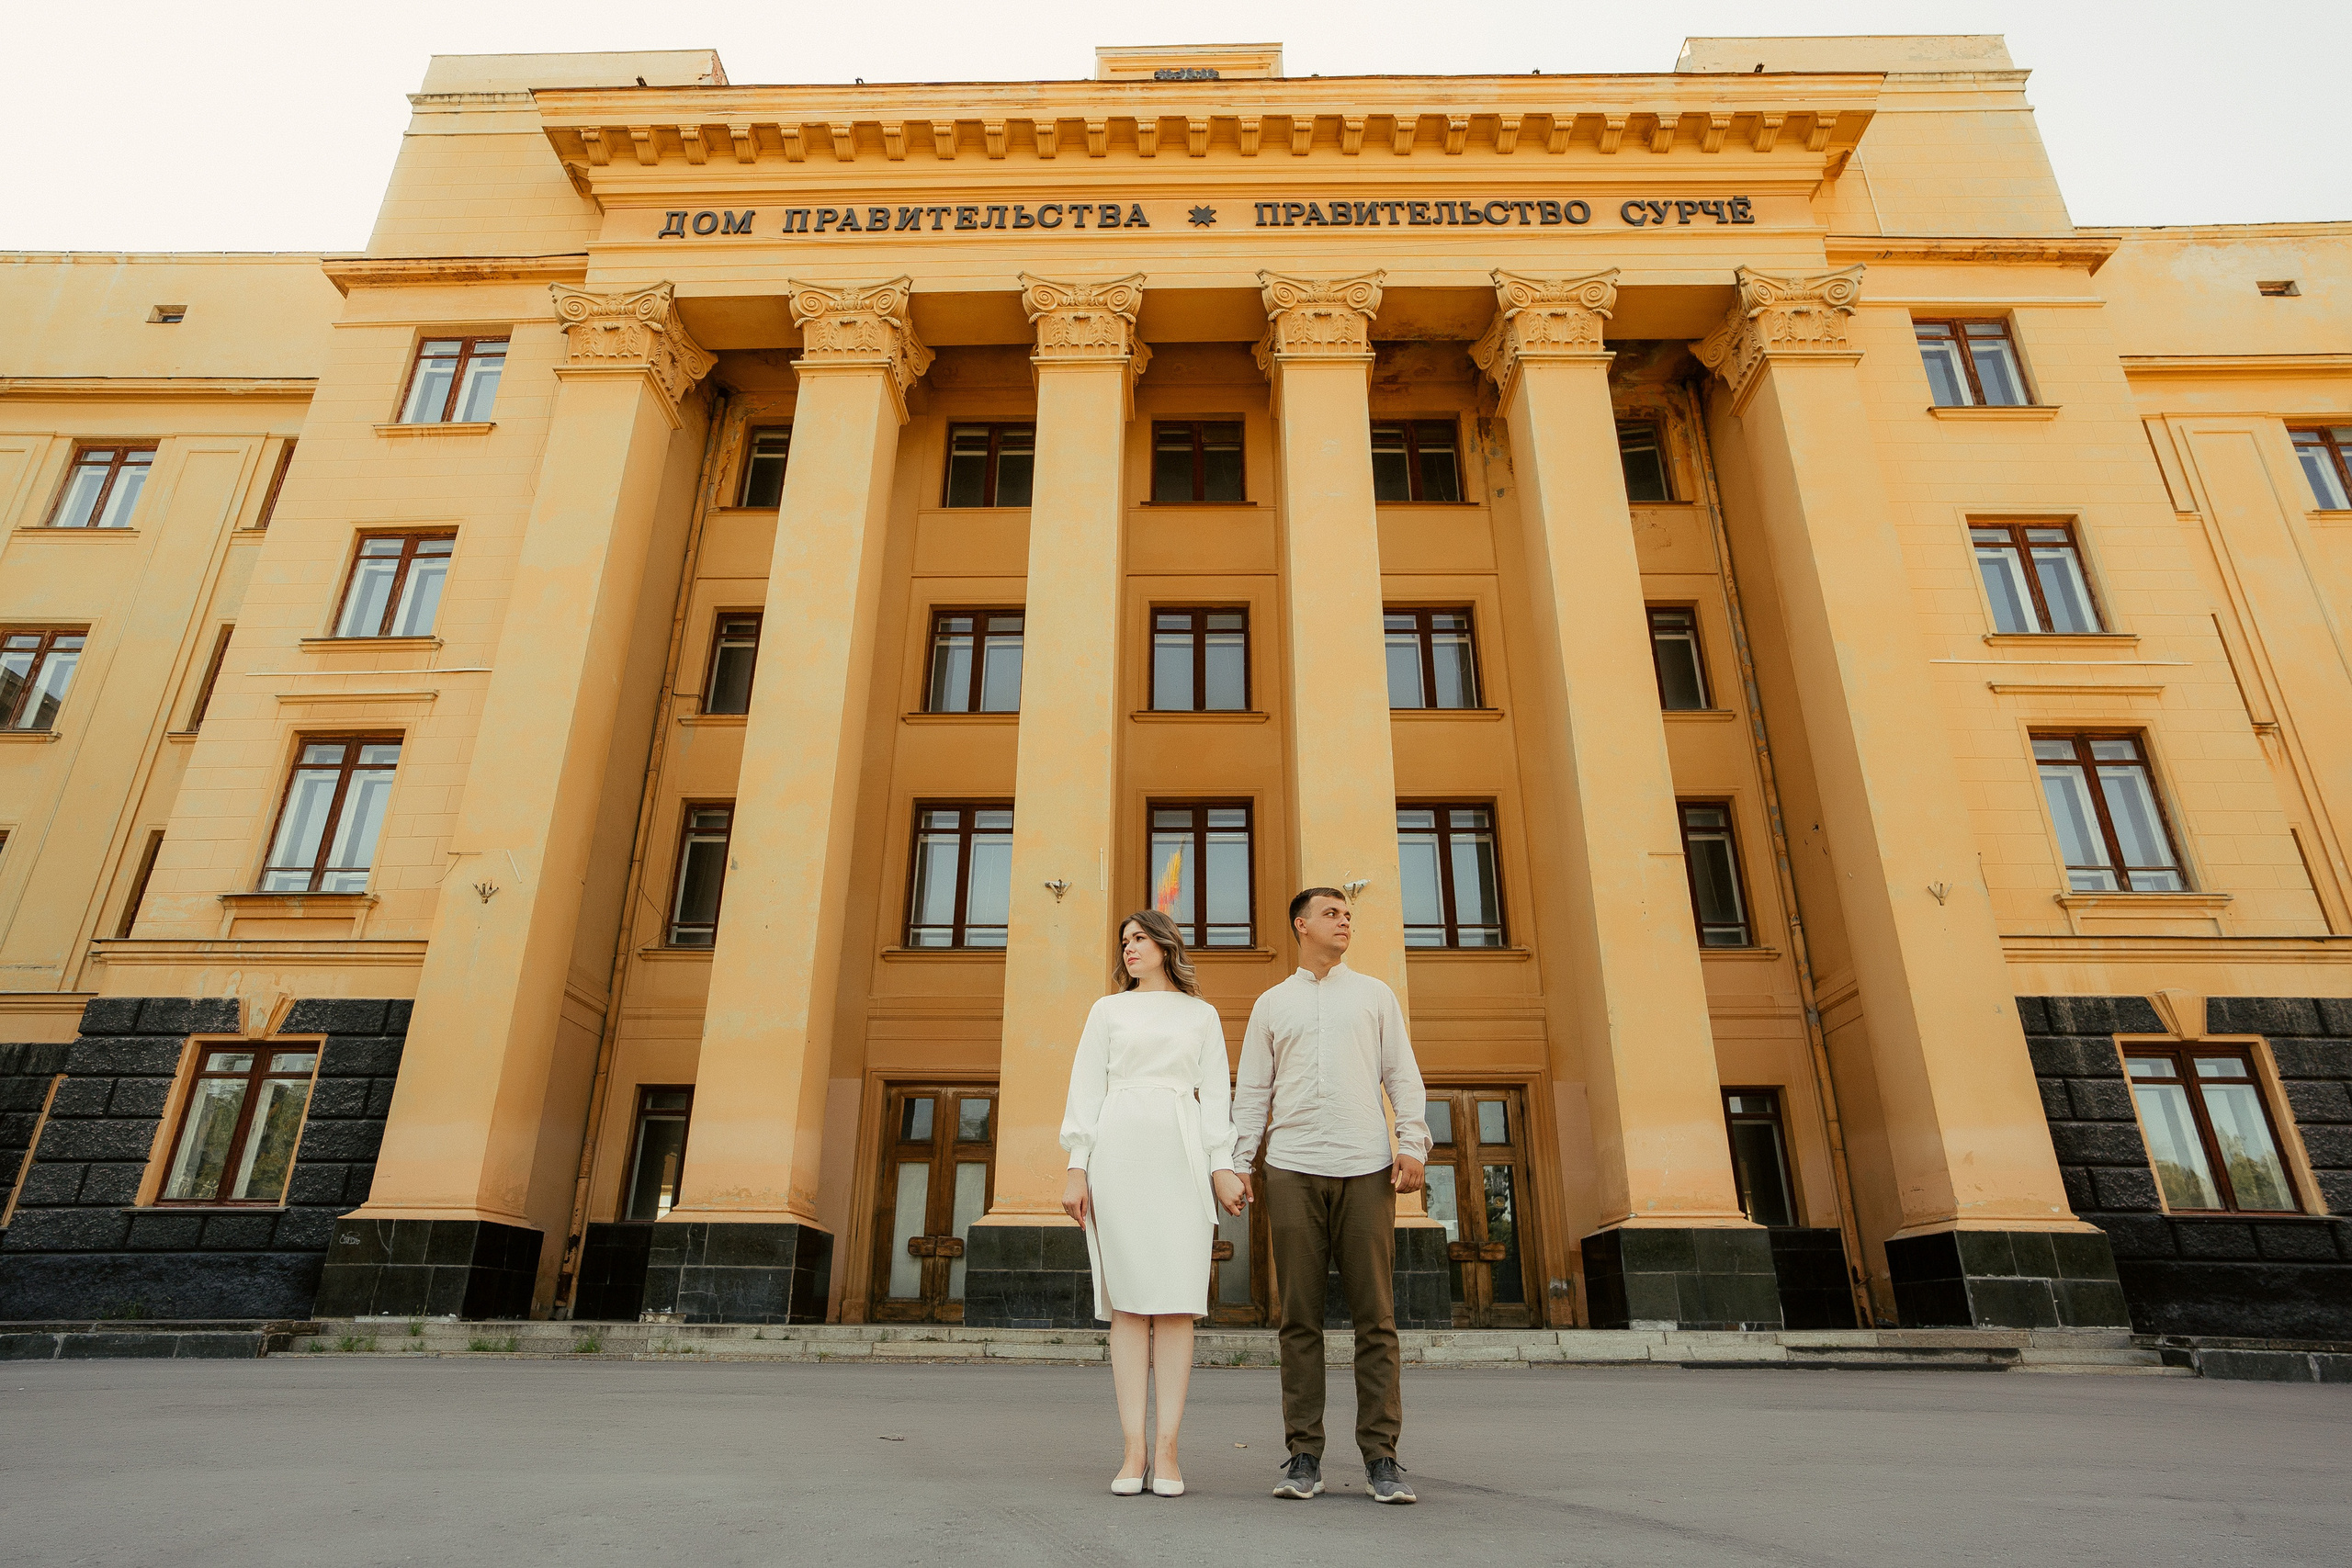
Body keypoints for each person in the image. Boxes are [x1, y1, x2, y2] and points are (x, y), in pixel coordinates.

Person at [1231, 887, 1430, 1505]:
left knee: (1377, 1319)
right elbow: (1252, 1092)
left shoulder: (1374, 995)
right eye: (1332, 913)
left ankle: (1382, 1457)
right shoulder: (1271, 1004)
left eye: (1348, 914)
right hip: (1290, 1170)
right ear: (1302, 924)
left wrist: (1413, 1144)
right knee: (1299, 1321)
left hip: (1366, 1169)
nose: (1344, 921)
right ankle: (1304, 1456)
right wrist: (1239, 1163)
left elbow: (1403, 1073)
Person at [1060, 909, 1250, 1498]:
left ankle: (1167, 1451)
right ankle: (1132, 1451)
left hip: (1182, 1153)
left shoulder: (1202, 1014)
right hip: (1119, 1153)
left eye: (1140, 939)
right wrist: (1076, 1167)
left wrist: (1223, 1165)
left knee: (1174, 1303)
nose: (1129, 949)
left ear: (1166, 945)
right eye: (1124, 942)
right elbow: (1086, 1089)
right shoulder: (1106, 1010)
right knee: (1128, 1305)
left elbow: (1217, 1093)